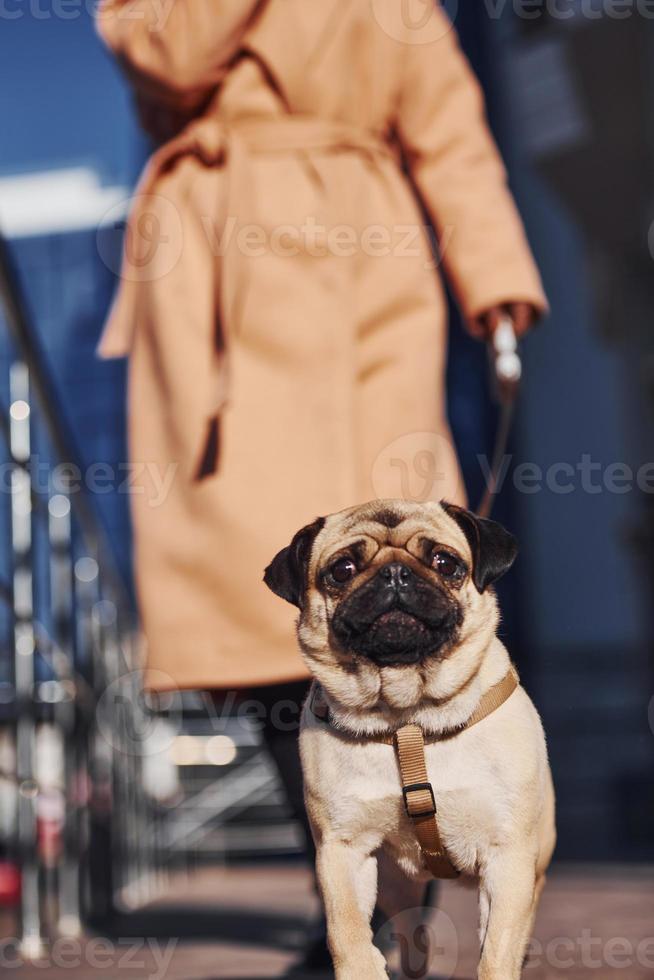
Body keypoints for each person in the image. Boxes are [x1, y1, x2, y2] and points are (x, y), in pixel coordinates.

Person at [96, 0, 547, 968]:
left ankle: (400, 882)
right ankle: (351, 897)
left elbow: (450, 126)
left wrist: (497, 274)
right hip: (219, 272)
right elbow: (160, 58)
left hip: (367, 275)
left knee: (401, 566)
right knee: (264, 608)